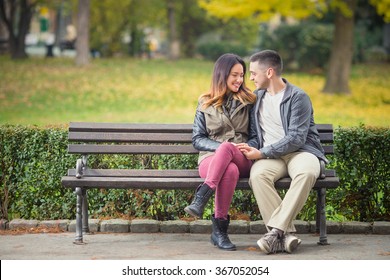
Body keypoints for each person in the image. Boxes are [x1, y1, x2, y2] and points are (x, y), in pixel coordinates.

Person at [237, 50, 328, 254]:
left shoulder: (298, 97)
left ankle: (276, 231)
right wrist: (253, 147)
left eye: (253, 73)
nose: (249, 78)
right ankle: (284, 236)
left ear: (269, 72)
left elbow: (296, 138)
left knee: (307, 172)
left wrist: (261, 153)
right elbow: (254, 133)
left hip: (301, 152)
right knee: (258, 175)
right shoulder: (256, 98)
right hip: (271, 156)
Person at [184, 53, 256, 251]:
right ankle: (219, 233)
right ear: (221, 75)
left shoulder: (249, 101)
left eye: (242, 75)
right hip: (211, 160)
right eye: (235, 75)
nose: (240, 80)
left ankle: (203, 195)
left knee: (230, 154)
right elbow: (197, 139)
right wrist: (223, 148)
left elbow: (256, 136)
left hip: (243, 157)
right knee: (229, 169)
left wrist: (246, 147)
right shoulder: (205, 102)